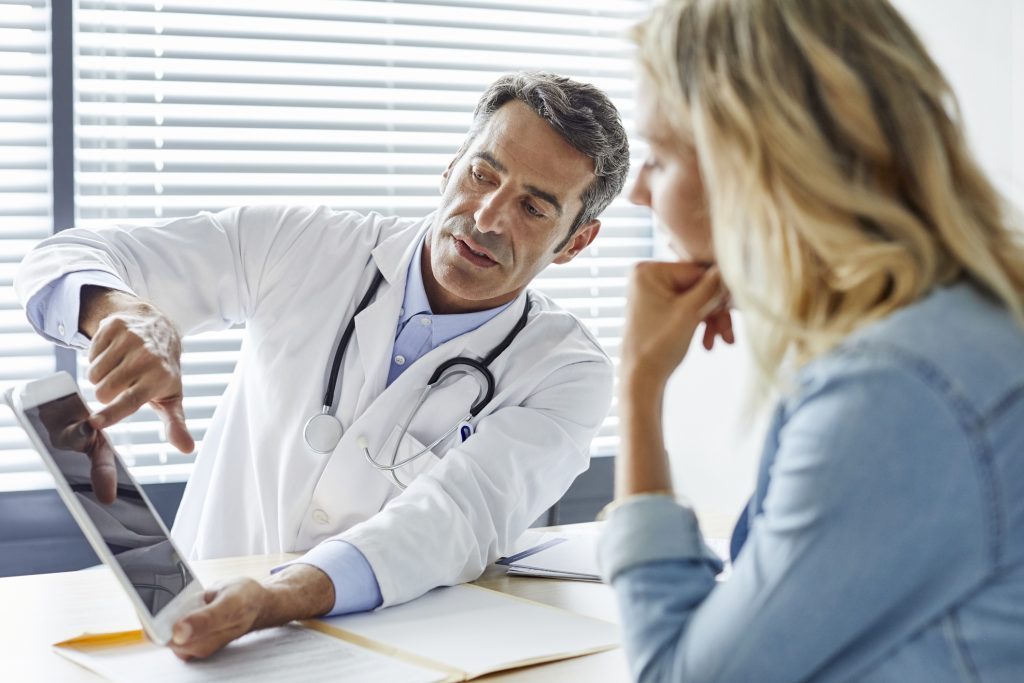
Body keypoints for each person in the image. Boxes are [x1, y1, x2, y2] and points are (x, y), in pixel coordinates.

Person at [15, 71, 630, 659]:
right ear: (451, 166)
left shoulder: (566, 371)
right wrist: (123, 311)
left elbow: (458, 519)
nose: (489, 217)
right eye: (481, 174)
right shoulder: (301, 245)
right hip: (198, 634)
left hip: (391, 655)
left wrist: (279, 598)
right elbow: (63, 256)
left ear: (575, 241)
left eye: (534, 208)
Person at [598, 0, 1024, 681]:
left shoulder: (899, 388)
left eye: (658, 156)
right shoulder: (956, 330)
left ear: (758, 165)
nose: (637, 195)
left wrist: (639, 385)